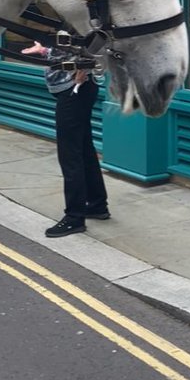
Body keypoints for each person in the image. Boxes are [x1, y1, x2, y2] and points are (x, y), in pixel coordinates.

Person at [21, 40, 110, 237]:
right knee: (84, 148)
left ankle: (74, 218)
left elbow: (99, 42)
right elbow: (70, 49)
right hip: (76, 88)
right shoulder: (70, 20)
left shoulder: (82, 15)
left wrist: (85, 67)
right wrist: (45, 50)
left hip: (76, 89)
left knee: (70, 155)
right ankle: (97, 204)